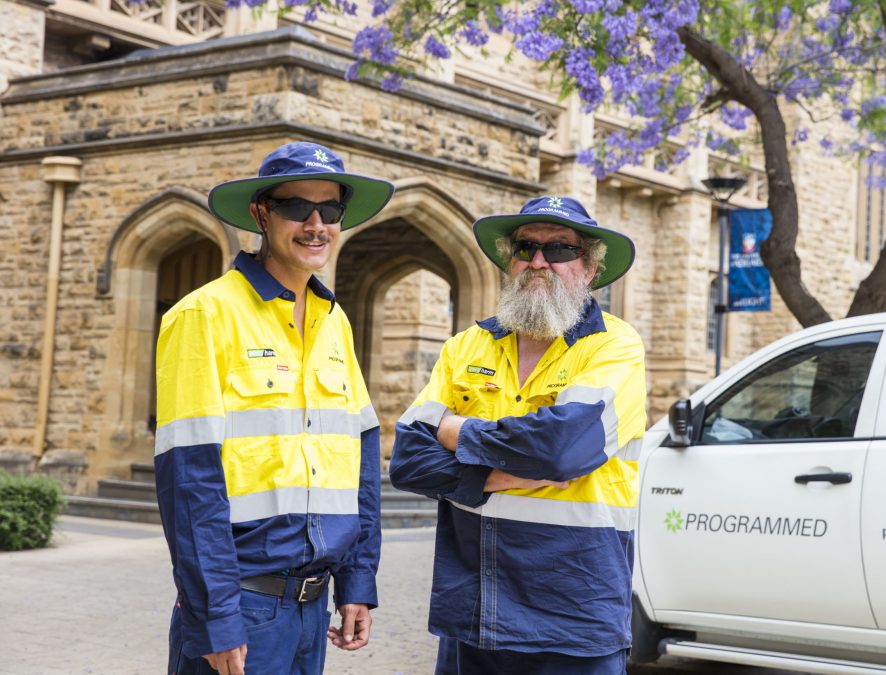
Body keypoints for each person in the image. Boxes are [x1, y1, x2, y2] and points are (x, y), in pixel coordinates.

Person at [154, 141, 393, 675]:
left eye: (330, 210)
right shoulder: (205, 315)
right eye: (295, 208)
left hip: (313, 611)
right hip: (241, 607)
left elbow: (361, 465)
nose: (316, 224)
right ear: (262, 214)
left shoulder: (336, 321)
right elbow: (189, 484)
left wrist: (357, 581)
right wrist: (214, 615)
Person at [389, 195, 647, 674]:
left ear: (589, 268)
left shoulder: (615, 346)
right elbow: (407, 459)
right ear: (510, 261)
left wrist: (455, 429)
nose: (539, 262)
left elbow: (560, 448)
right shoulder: (466, 345)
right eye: (526, 248)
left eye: (561, 250)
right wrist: (493, 478)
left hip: (572, 616)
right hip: (475, 609)